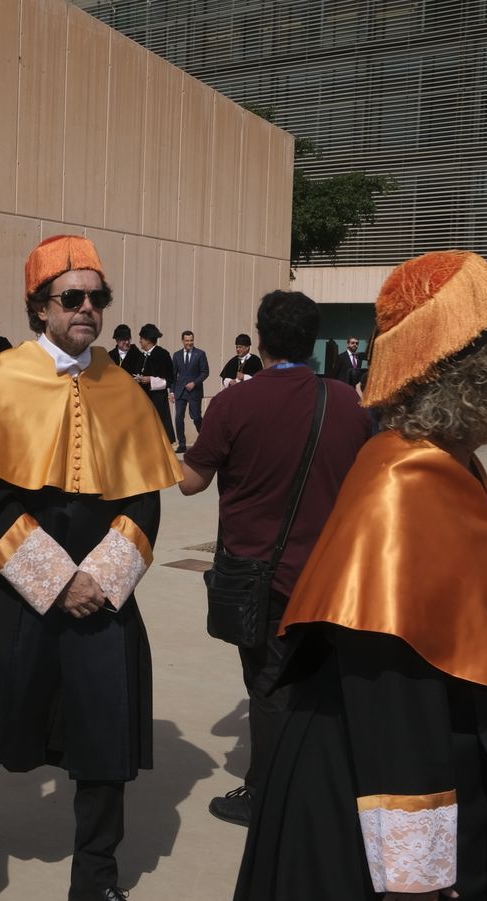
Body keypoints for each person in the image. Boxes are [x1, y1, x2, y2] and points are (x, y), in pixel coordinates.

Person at [233, 250, 487, 901]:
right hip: (373, 792)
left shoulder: (446, 464)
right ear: (472, 376)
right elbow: (392, 684)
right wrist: (414, 873)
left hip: (411, 771)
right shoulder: (402, 479)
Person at [0, 234, 182, 901]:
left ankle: (95, 878)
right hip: (21, 591)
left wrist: (99, 579)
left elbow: (143, 499)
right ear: (39, 306)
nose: (88, 309)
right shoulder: (3, 377)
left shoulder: (121, 383)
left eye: (98, 298)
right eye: (73, 298)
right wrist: (55, 579)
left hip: (103, 591)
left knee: (106, 730)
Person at [178, 292, 371, 827]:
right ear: (314, 341)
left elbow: (190, 483)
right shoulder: (348, 403)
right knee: (320, 684)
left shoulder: (234, 403)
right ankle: (325, 780)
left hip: (256, 575)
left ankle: (267, 793)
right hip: (332, 575)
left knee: (266, 688)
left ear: (258, 336)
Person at [135, 323, 176, 444]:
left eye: (141, 339)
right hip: (144, 398)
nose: (140, 341)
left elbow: (169, 380)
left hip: (157, 399)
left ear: (148, 340)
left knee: (158, 427)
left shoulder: (162, 354)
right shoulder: (142, 356)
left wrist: (150, 380)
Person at [172, 330, 210, 452]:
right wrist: (172, 392)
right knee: (178, 417)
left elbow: (205, 372)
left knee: (196, 417)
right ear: (183, 341)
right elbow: (173, 375)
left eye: (191, 340)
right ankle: (182, 444)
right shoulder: (176, 355)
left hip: (195, 391)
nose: (189, 343)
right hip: (180, 391)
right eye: (187, 340)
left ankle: (205, 441)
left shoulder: (200, 354)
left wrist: (194, 383)